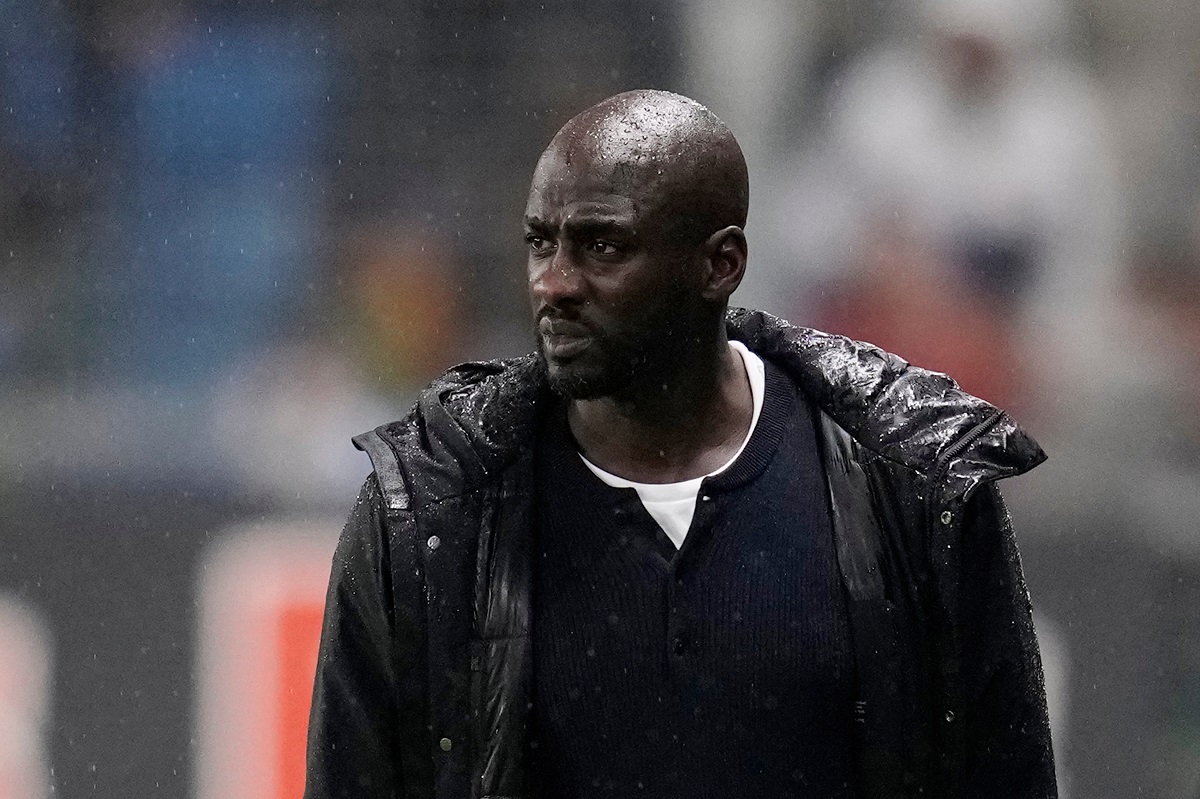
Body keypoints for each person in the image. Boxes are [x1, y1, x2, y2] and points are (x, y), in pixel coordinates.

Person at [305, 89, 1057, 798]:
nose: (554, 283)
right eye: (542, 242)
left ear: (720, 264)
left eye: (602, 246)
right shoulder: (428, 512)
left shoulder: (916, 488)